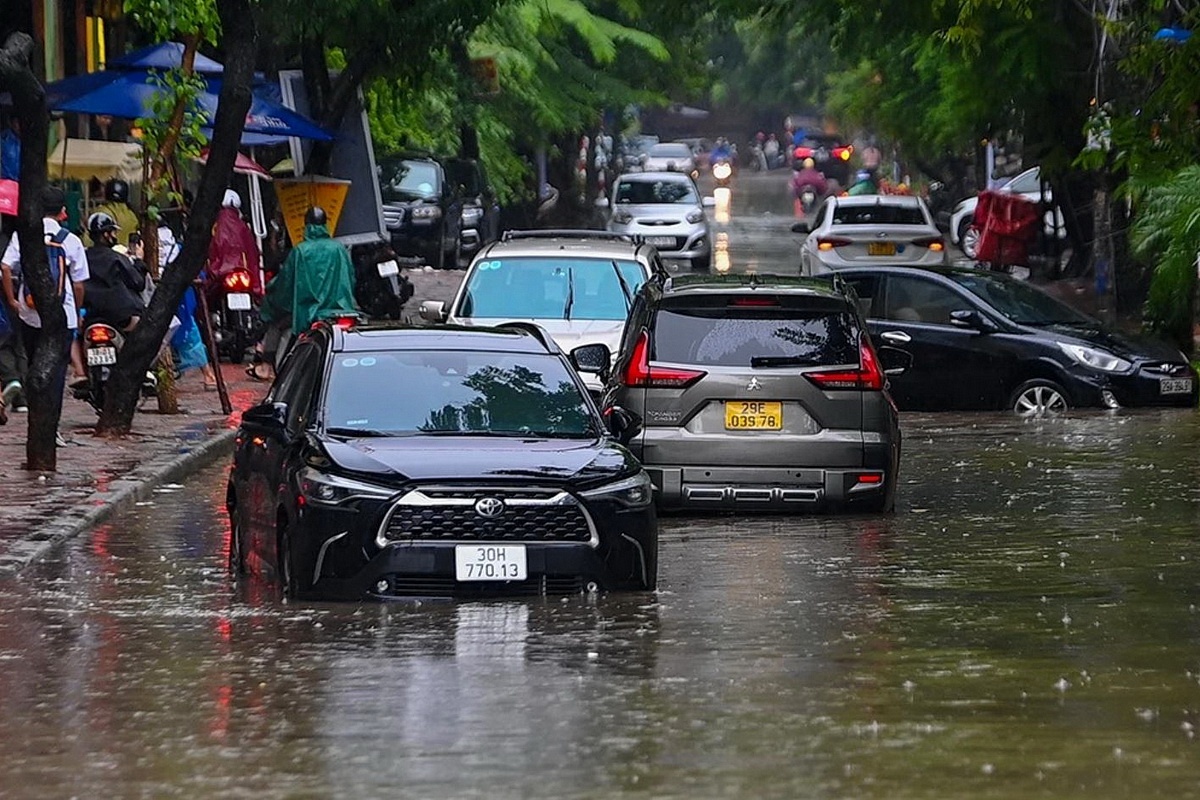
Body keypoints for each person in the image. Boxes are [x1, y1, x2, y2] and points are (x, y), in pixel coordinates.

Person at [0, 186, 89, 441]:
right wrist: (77, 310)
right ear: (63, 212)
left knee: (34, 368)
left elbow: (6, 267)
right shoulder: (71, 240)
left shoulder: (24, 236)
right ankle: (51, 430)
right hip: (63, 317)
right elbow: (80, 283)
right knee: (57, 374)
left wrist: (13, 300)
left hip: (30, 314)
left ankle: (34, 426)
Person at [256, 206, 357, 379]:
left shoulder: (301, 251)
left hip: (307, 311)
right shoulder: (339, 249)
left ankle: (268, 368)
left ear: (307, 225)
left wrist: (272, 295)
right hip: (340, 309)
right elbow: (351, 278)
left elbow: (285, 284)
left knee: (276, 324)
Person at [82, 212, 147, 332]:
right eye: (113, 232)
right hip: (121, 317)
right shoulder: (116, 258)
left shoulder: (82, 257)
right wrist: (139, 261)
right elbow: (138, 283)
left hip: (91, 316)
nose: (115, 235)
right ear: (106, 234)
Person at [206, 189, 262, 299]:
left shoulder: (216, 226)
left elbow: (212, 250)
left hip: (222, 272)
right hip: (244, 272)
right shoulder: (243, 226)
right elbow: (253, 253)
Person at [93, 179, 139, 244]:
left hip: (107, 252)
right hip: (126, 252)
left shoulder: (101, 212)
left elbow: (89, 239)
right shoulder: (131, 215)